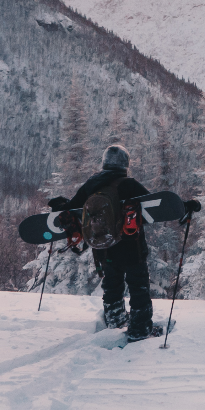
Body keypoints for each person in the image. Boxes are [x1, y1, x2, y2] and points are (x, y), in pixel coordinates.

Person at [50, 144, 159, 340]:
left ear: (104, 162)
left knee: (112, 284)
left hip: (104, 248)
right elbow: (157, 206)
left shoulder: (91, 185)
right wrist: (185, 207)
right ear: (125, 164)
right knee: (138, 286)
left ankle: (114, 321)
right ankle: (140, 329)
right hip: (132, 246)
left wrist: (60, 205)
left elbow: (72, 209)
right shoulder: (130, 184)